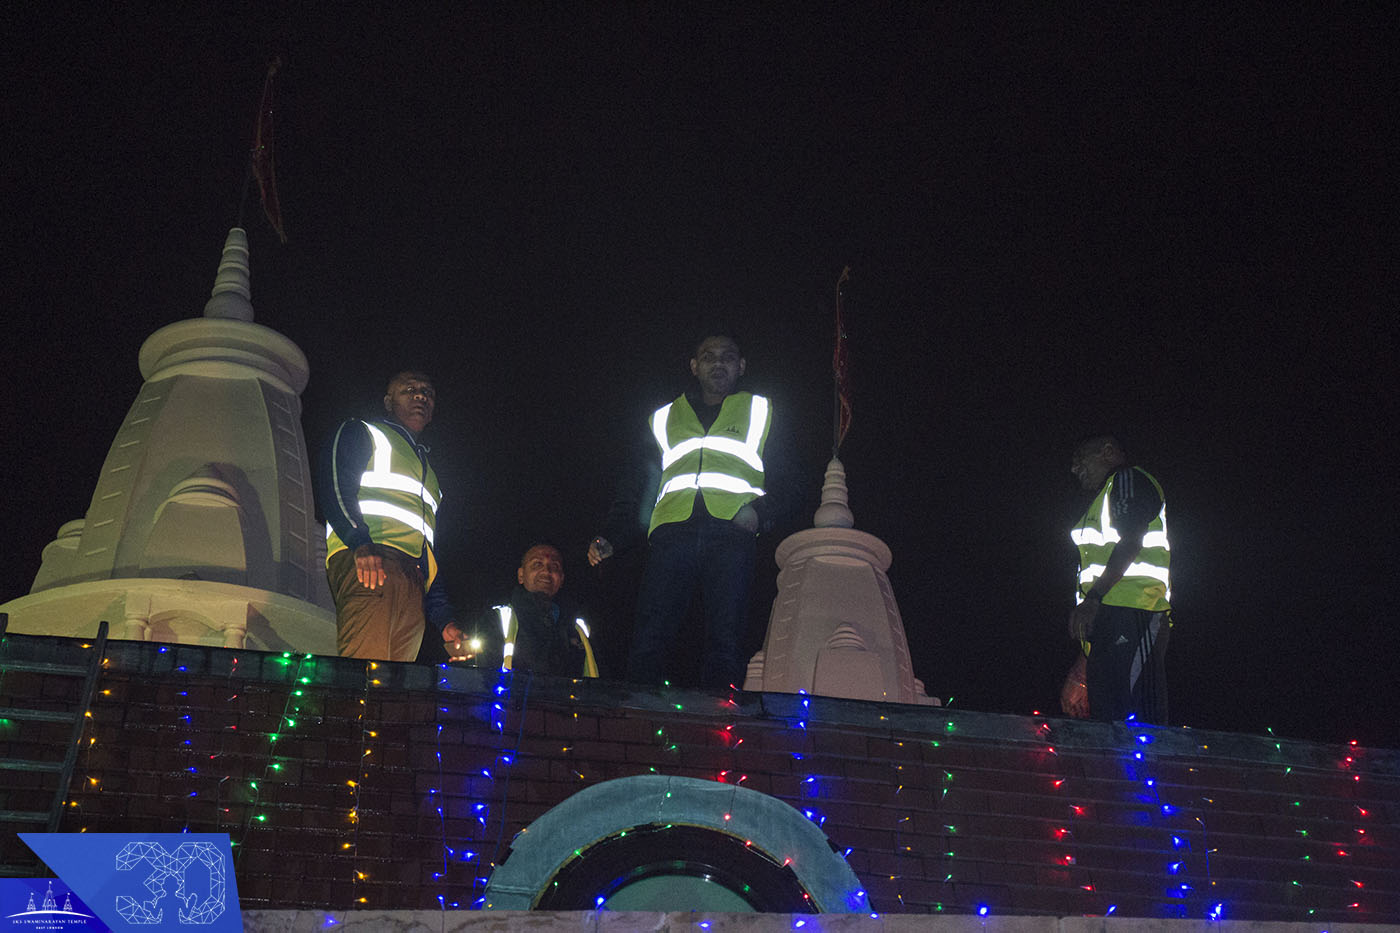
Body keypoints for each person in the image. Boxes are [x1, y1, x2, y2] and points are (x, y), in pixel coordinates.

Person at [588, 332, 794, 689]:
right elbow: (638, 485)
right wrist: (613, 536)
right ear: (694, 366)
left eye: (727, 357)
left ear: (741, 366)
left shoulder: (761, 410)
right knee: (651, 633)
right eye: (709, 357)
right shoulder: (665, 417)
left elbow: (791, 474)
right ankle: (641, 713)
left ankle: (721, 724)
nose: (718, 363)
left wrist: (761, 514)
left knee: (726, 637)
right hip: (673, 533)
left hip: (731, 533)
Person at [316, 370, 463, 661]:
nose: (420, 396)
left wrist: (443, 616)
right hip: (371, 563)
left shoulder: (429, 473)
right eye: (409, 390)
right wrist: (359, 542)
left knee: (394, 687)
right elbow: (334, 486)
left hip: (412, 581)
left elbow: (424, 546)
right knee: (364, 674)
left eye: (427, 392)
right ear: (388, 401)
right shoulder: (363, 432)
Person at [1060, 435, 1172, 724]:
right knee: (1110, 724)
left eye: (1080, 458)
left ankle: (1148, 770)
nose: (1074, 469)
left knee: (1139, 726)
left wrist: (1094, 598)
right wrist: (1084, 662)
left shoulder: (1126, 480)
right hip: (1110, 623)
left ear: (1108, 452)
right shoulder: (1103, 499)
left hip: (1136, 613)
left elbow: (1132, 540)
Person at [457, 544, 599, 677]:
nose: (546, 571)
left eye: (554, 566)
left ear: (562, 579)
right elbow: (484, 678)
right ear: (521, 575)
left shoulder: (577, 626)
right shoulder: (496, 619)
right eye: (537, 564)